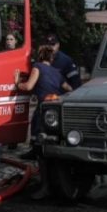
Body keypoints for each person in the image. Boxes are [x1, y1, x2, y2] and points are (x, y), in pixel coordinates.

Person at [16, 44, 72, 199]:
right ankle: (58, 183)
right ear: (52, 58)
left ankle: (45, 187)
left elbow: (28, 86)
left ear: (40, 57)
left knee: (41, 151)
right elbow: (69, 88)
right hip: (56, 114)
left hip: (42, 112)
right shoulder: (57, 72)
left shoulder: (37, 67)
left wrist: (16, 83)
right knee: (53, 148)